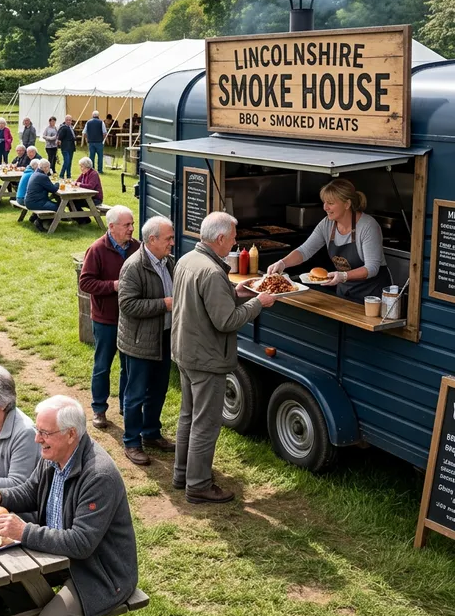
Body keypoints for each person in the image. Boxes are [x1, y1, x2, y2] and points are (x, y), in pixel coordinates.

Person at [0, 395, 138, 616]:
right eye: (37, 431)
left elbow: (82, 544)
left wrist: (24, 531)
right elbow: (31, 491)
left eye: (44, 433)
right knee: (1, 576)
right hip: (58, 554)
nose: (37, 439)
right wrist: (1, 496)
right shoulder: (54, 453)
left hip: (99, 569)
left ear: (71, 434)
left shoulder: (99, 475)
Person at [172, 212, 275, 504]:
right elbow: (226, 322)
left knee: (188, 417)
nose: (235, 242)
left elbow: (202, 299)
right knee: (205, 424)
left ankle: (182, 475)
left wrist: (235, 291)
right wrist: (258, 302)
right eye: (232, 237)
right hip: (207, 358)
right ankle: (199, 485)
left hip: (185, 351)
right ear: (219, 239)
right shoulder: (214, 272)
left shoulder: (187, 260)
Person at [267, 178, 391, 302]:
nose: (325, 207)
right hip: (344, 294)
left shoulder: (368, 226)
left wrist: (343, 276)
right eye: (324, 202)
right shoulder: (327, 224)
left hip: (373, 297)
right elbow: (304, 251)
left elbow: (372, 268)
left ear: (347, 204)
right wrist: (283, 263)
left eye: (330, 203)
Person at [117, 216, 177, 466]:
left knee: (159, 390)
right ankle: (131, 442)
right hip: (139, 342)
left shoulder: (168, 262)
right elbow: (127, 304)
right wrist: (164, 304)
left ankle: (151, 433)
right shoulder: (134, 266)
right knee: (136, 394)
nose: (172, 243)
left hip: (163, 338)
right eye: (168, 238)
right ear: (151, 240)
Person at [79, 205, 139, 429]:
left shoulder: (137, 247)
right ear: (111, 227)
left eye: (132, 224)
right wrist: (113, 286)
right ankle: (99, 410)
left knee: (128, 366)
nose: (132, 229)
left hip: (132, 319)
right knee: (102, 366)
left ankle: (126, 406)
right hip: (106, 319)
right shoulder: (96, 249)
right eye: (127, 225)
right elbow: (85, 282)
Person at [24, 159, 60, 231]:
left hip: (29, 201)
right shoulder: (42, 176)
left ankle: (34, 217)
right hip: (36, 202)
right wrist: (57, 184)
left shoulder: (35, 173)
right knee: (59, 208)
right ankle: (40, 221)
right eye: (49, 168)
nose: (49, 169)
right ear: (45, 168)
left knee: (55, 204)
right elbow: (54, 189)